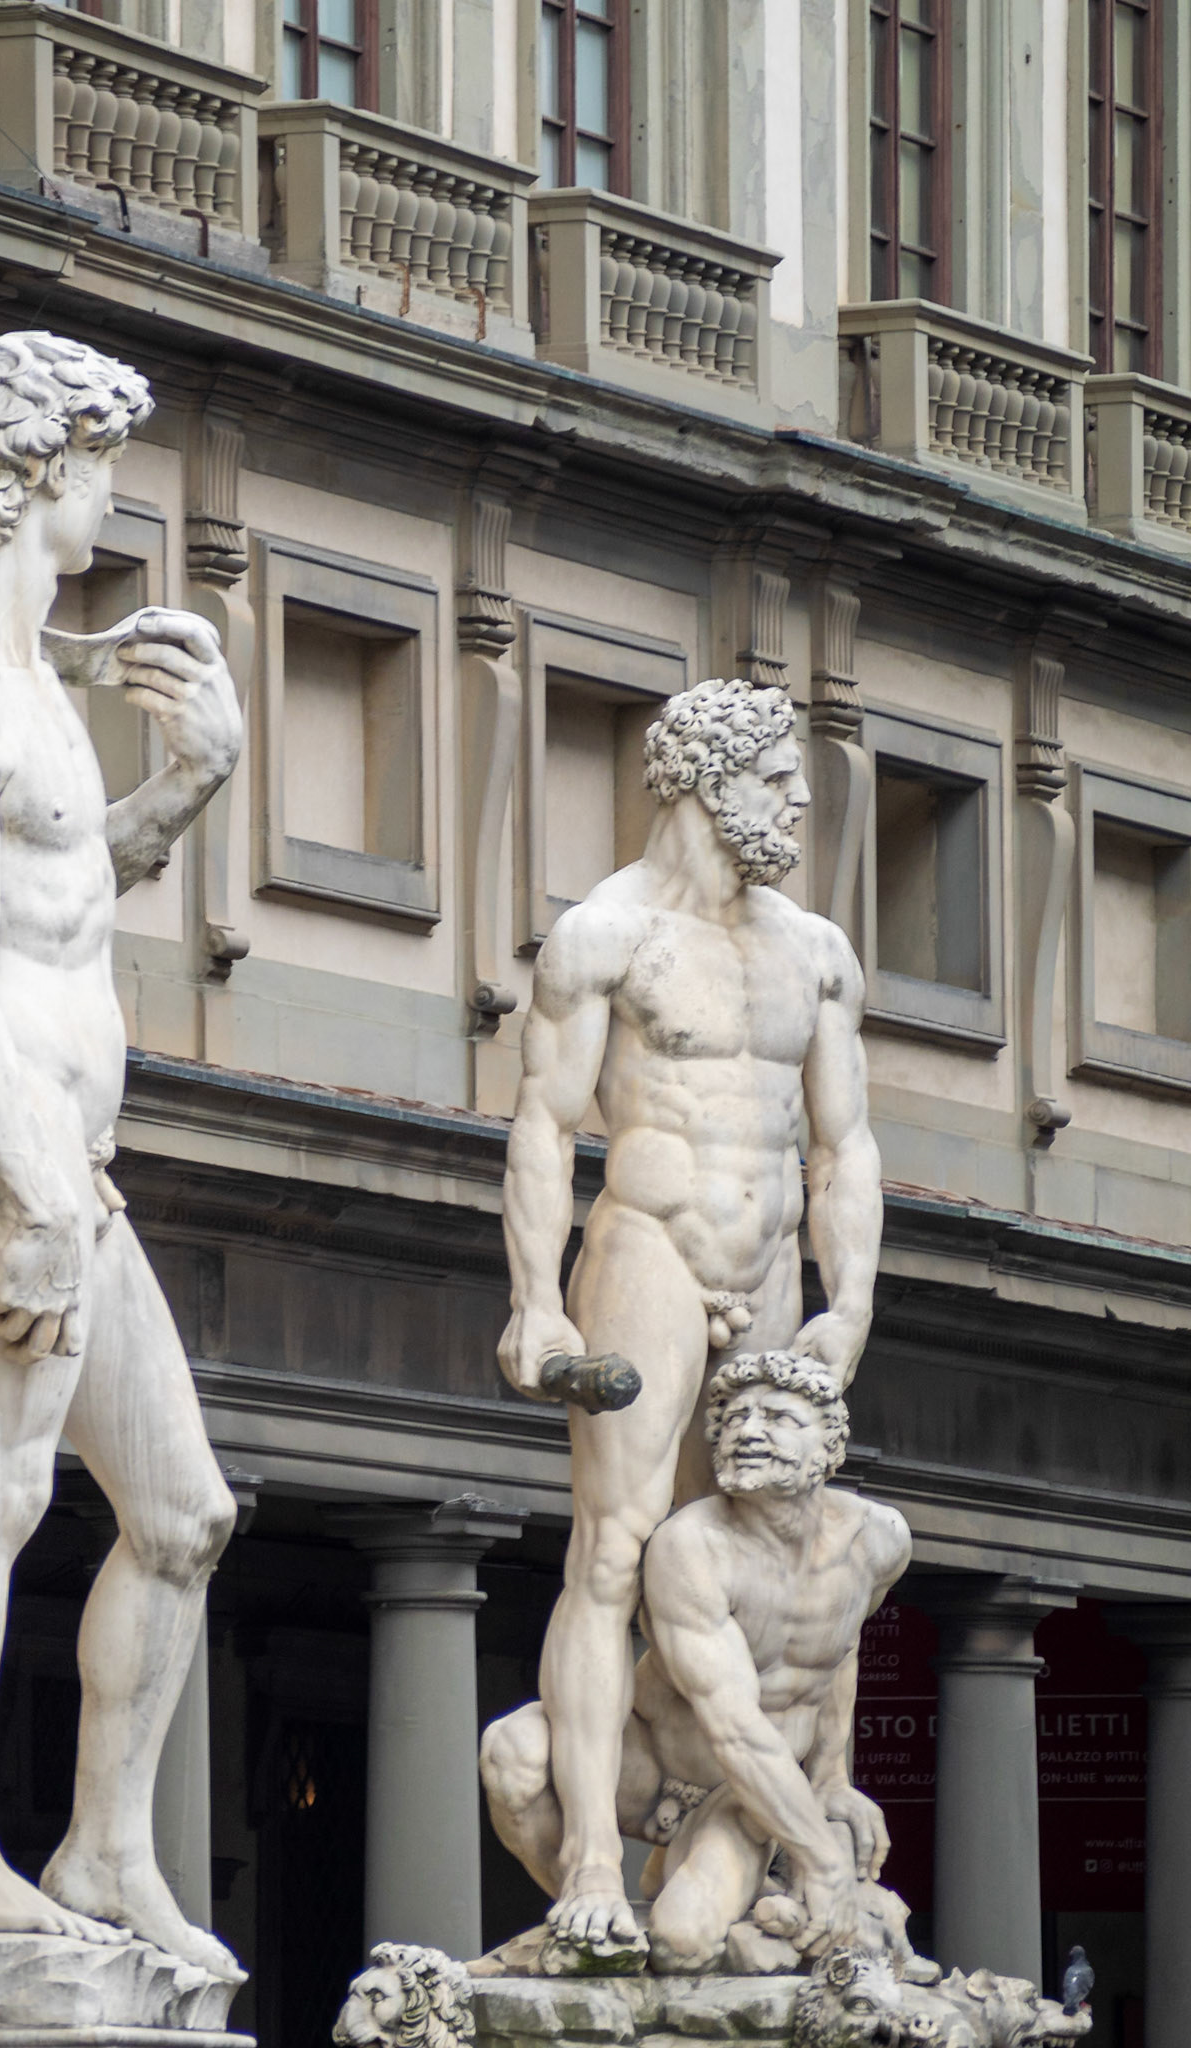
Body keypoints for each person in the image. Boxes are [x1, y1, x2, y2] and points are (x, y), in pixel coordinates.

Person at [0, 332, 241, 1971]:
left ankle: (100, 1847)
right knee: (0, 1481)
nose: (112, 495)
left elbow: (77, 895)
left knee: (184, 1514)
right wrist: (23, 1190)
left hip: (71, 1155)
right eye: (102, 463)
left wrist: (198, 776)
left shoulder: (37, 681)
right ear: (42, 471)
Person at [495, 677, 883, 1950]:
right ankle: (598, 1858)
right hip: (650, 1248)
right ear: (709, 777)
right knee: (612, 1552)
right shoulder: (605, 934)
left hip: (773, 1262)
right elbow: (546, 1126)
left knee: (773, 1542)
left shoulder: (817, 951)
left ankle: (773, 1828)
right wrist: (536, 1305)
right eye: (779, 773)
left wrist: (852, 1303)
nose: (802, 797)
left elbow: (846, 1146)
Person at [480, 1352, 911, 1966]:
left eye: (779, 1418)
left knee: (684, 1943)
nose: (750, 1431)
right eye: (735, 1418)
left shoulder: (879, 1539)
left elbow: (840, 1648)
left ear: (831, 1444)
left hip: (746, 1794)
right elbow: (732, 1725)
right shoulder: (691, 1546)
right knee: (513, 1748)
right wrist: (821, 1858)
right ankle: (602, 1931)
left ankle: (702, 1911)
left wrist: (830, 1777)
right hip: (650, 1766)